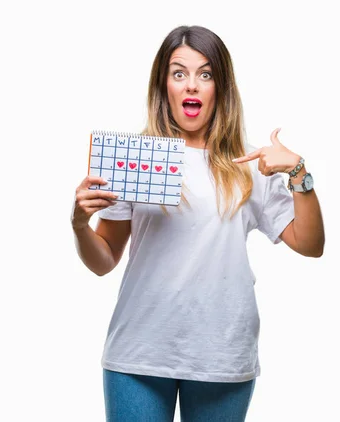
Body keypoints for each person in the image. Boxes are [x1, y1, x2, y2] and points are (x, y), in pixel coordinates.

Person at [71, 25, 325, 422]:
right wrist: (79, 226)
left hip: (221, 353)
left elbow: (310, 244)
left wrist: (298, 173)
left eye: (205, 75)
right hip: (138, 353)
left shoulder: (249, 163)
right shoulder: (133, 158)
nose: (192, 85)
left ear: (220, 87)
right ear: (164, 86)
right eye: (179, 73)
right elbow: (104, 260)